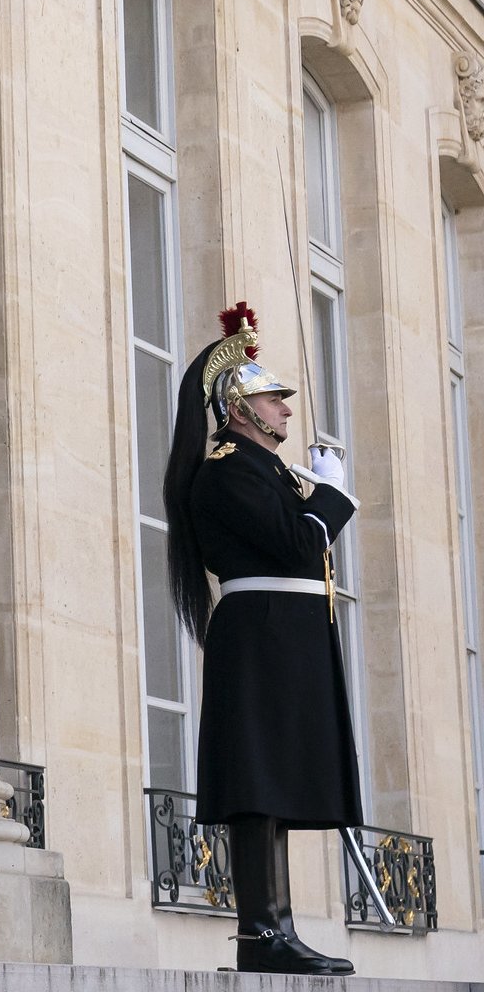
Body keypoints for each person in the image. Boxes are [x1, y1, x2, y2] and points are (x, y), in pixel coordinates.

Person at [162, 304, 359, 976]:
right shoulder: (226, 469)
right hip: (262, 639)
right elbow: (297, 545)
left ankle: (277, 928)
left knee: (274, 786)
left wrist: (315, 494)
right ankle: (259, 934)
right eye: (275, 400)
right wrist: (329, 500)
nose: (285, 412)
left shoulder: (265, 470)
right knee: (258, 785)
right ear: (240, 407)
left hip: (284, 638)